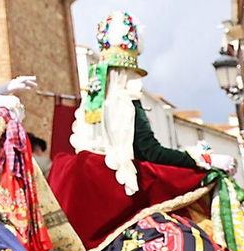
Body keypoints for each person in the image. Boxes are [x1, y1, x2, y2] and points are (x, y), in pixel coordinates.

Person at [69, 12, 214, 194]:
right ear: (125, 73)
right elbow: (151, 152)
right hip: (125, 196)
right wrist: (196, 158)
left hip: (93, 190)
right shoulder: (127, 101)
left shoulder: (90, 104)